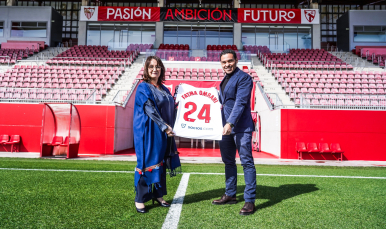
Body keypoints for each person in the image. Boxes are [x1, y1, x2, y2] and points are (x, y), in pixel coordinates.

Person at [133, 56, 181, 214]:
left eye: (158, 66)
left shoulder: (164, 89)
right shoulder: (143, 87)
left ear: (162, 69)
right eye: (151, 66)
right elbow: (149, 108)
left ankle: (159, 195)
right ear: (146, 69)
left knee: (161, 162)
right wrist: (163, 126)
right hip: (149, 132)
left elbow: (171, 107)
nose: (155, 69)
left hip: (164, 132)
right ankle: (140, 198)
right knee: (148, 162)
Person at [212, 49, 256, 216]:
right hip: (226, 128)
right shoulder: (224, 79)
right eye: (224, 62)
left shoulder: (244, 78)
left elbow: (240, 103)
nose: (227, 64)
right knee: (228, 161)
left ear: (236, 61)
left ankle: (250, 200)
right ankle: (230, 194)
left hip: (241, 127)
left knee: (246, 162)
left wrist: (230, 122)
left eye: (230, 61)